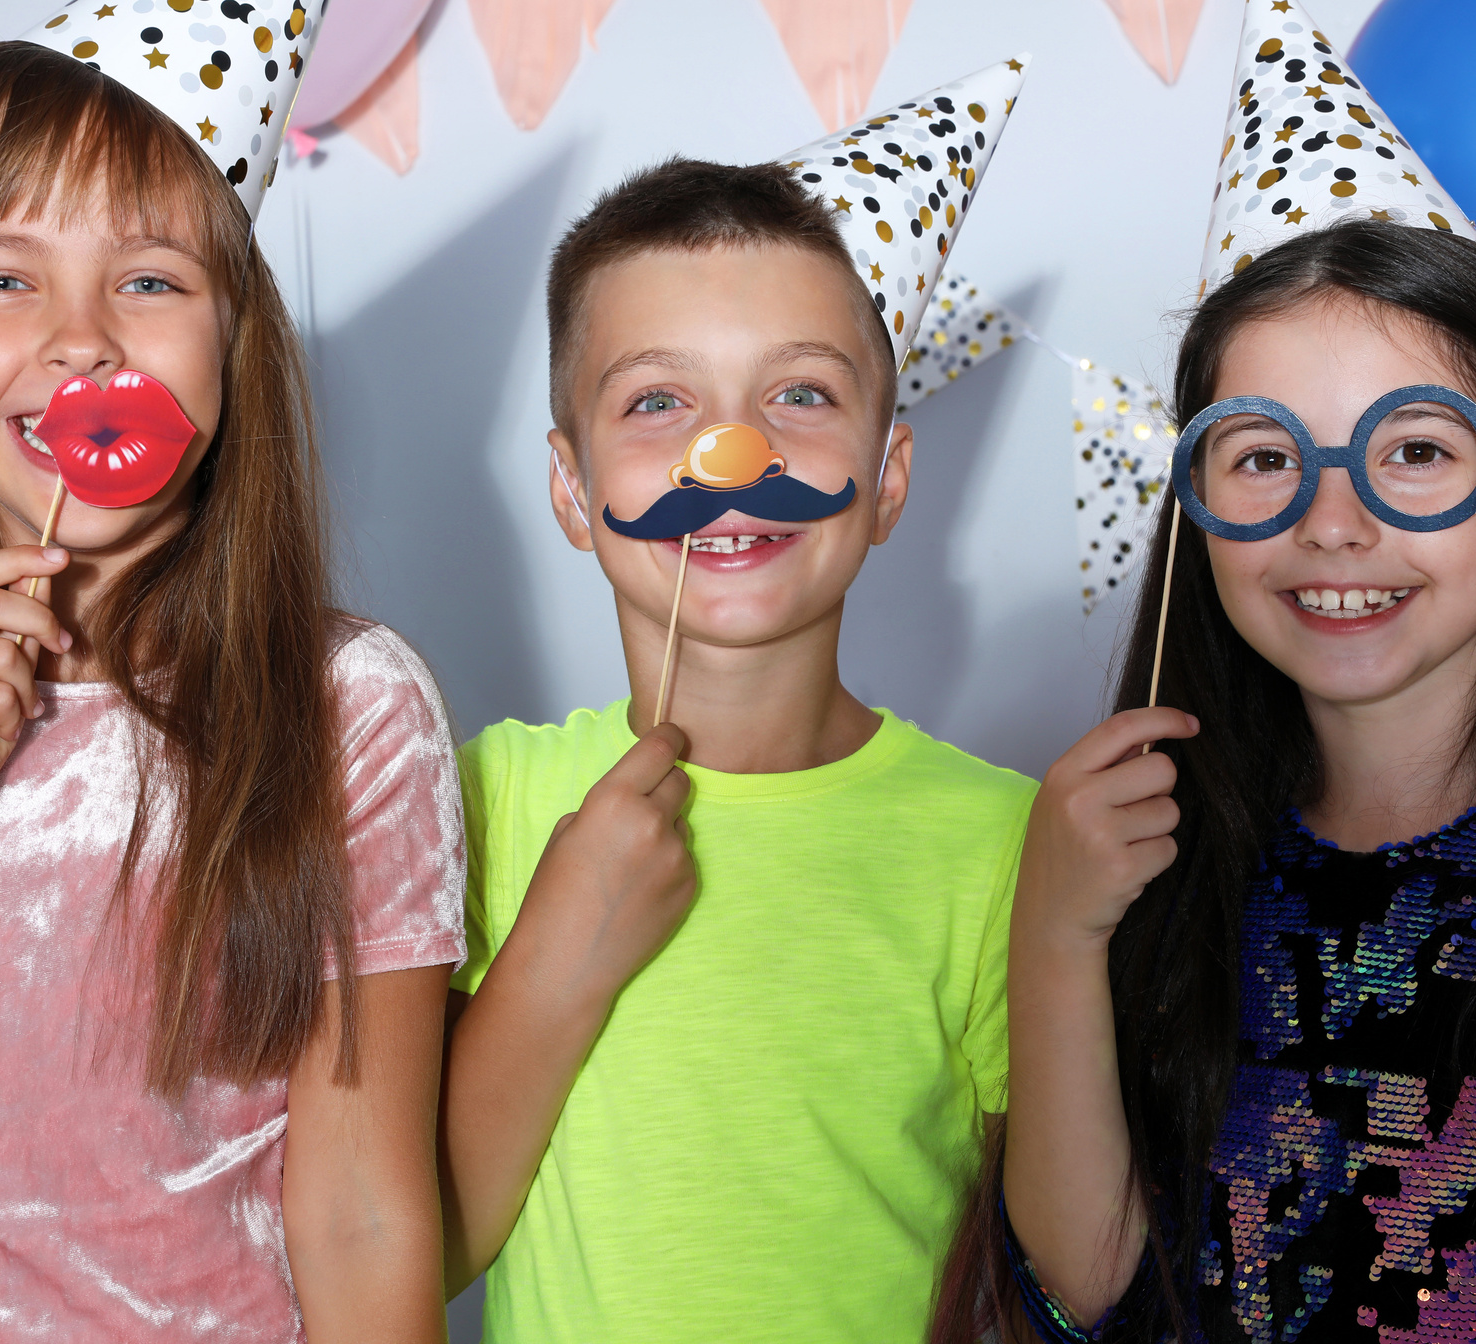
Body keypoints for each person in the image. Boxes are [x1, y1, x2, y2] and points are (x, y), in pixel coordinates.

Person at [938, 13, 1476, 1324]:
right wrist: (1059, 935)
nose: (1335, 521)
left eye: (1415, 452)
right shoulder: (1167, 866)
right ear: (1202, 507)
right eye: (1263, 457)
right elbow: (1091, 1292)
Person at [0, 30, 461, 1343]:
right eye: (5, 278)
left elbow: (361, 1215)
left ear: (232, 343)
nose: (82, 340)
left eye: (151, 279)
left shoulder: (353, 707)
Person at [439, 58, 1036, 1344]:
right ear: (569, 486)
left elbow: (1044, 1277)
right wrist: (555, 956)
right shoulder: (473, 797)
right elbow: (416, 1242)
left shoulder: (1005, 844)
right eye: (659, 401)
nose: (733, 456)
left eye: (800, 396)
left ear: (887, 480)